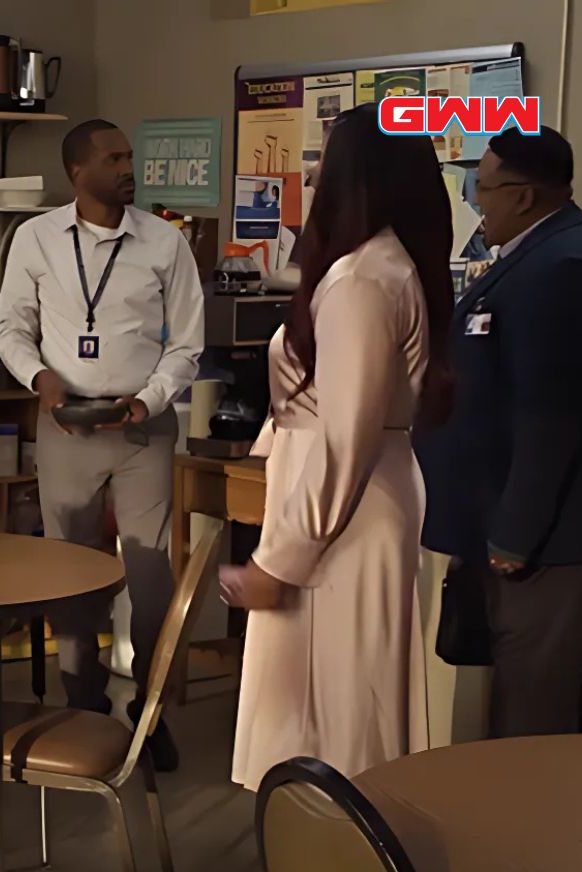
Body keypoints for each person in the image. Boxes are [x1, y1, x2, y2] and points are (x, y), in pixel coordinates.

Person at [221, 105, 453, 788]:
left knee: (339, 718)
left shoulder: (361, 282)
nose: (313, 175)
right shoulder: (379, 267)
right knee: (335, 708)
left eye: (326, 161)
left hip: (340, 515)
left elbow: (344, 438)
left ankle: (341, 864)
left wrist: (281, 561)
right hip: (350, 497)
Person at [0, 119, 204, 770]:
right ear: (76, 173)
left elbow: (188, 342)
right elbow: (10, 328)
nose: (128, 166)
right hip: (66, 428)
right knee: (72, 575)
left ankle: (149, 711)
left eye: (129, 155)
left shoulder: (165, 242)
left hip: (143, 427)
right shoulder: (34, 239)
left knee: (150, 578)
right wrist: (40, 379)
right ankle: (81, 706)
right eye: (114, 158)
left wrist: (151, 397)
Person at [417, 126, 582, 737]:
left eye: (482, 189)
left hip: (550, 537)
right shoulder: (537, 257)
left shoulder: (569, 266)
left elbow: (552, 415)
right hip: (534, 527)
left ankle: (527, 824)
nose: (476, 202)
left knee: (533, 699)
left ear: (525, 196)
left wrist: (515, 534)